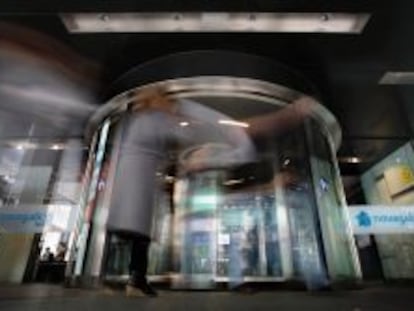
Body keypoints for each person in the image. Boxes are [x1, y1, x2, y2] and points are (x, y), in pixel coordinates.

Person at [107, 86, 257, 297]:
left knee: (137, 233)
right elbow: (178, 132)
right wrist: (181, 117)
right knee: (138, 234)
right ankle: (134, 280)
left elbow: (177, 134)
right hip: (139, 178)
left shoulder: (140, 119)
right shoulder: (148, 119)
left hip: (140, 178)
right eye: (162, 99)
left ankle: (135, 279)